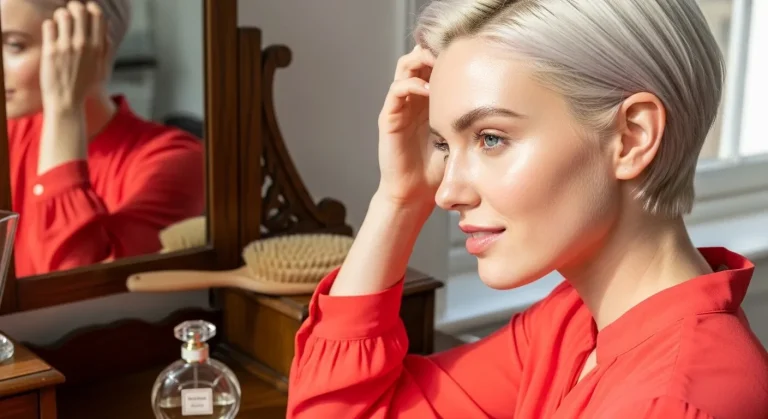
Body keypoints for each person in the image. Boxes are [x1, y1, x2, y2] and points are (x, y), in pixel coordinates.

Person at [286, 1, 768, 418]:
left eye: (490, 138)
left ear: (632, 138)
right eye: (443, 145)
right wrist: (399, 197)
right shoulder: (572, 325)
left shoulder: (671, 404)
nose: (447, 192)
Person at [3, 0, 205, 276]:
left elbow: (74, 286)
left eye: (15, 45)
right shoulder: (11, 132)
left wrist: (65, 109)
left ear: (89, 47)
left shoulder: (174, 161)